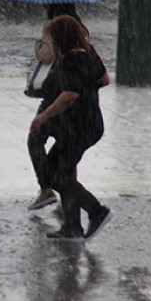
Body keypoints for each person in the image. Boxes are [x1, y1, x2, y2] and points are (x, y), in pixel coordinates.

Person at [30, 14, 112, 240]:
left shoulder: (70, 60)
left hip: (78, 129)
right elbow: (105, 80)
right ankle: (72, 227)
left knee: (55, 176)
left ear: (60, 38)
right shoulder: (90, 54)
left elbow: (69, 95)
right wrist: (88, 88)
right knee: (62, 173)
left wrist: (43, 117)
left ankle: (96, 211)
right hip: (90, 123)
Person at [26, 3, 83, 211]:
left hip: (54, 97)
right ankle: (67, 198)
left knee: (35, 140)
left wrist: (40, 42)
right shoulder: (79, 27)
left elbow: (47, 56)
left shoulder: (53, 27)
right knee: (67, 150)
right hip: (73, 101)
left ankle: (46, 189)